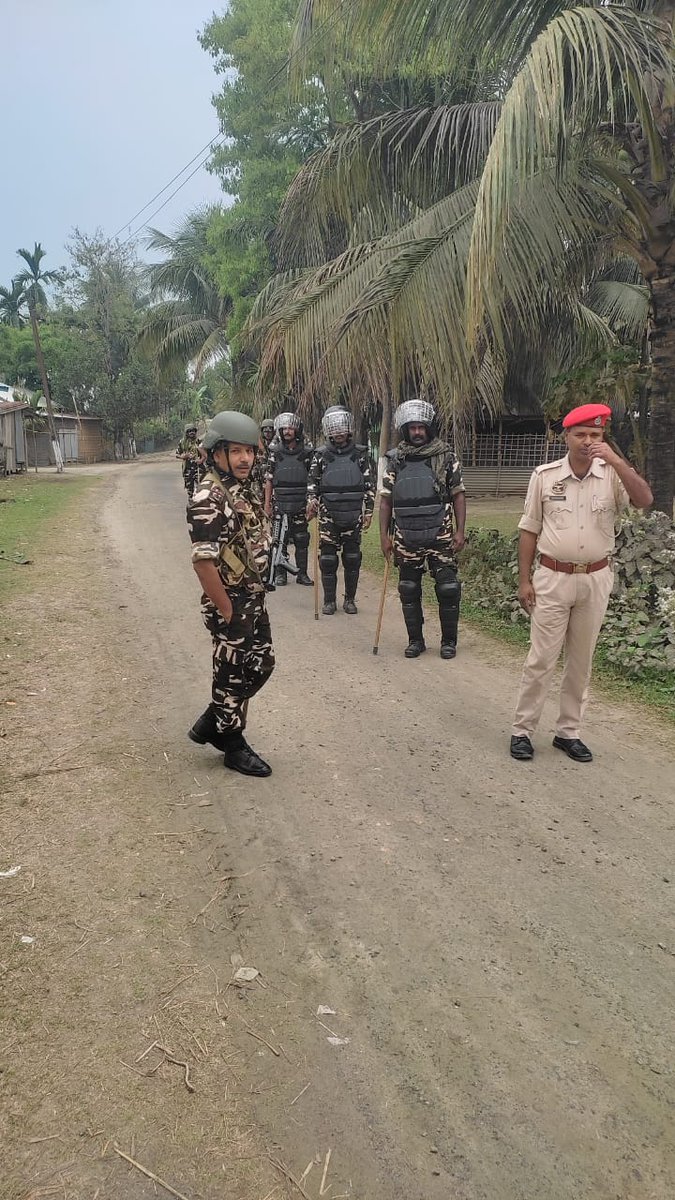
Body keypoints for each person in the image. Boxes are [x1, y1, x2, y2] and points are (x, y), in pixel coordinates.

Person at [510, 402, 653, 763]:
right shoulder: (545, 476)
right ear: (567, 437)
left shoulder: (612, 475)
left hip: (595, 578)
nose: (588, 441)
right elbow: (529, 530)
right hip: (553, 578)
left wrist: (617, 462)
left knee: (581, 660)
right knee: (541, 658)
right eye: (581, 434)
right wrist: (524, 580)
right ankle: (523, 730)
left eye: (595, 434)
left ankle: (568, 732)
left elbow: (645, 499)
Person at [186, 411, 275, 778]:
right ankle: (232, 743)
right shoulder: (208, 496)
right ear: (217, 453)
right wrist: (226, 610)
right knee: (232, 674)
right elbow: (203, 563)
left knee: (262, 665)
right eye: (236, 451)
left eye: (249, 452)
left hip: (252, 599)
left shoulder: (243, 488)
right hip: (231, 602)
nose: (245, 459)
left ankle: (213, 720)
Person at [379, 399, 466, 659]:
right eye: (412, 428)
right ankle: (415, 641)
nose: (417, 432)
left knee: (448, 588)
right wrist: (384, 537)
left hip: (440, 533)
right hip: (406, 535)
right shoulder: (395, 460)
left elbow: (459, 495)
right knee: (408, 588)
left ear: (429, 428)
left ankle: (448, 642)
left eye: (421, 427)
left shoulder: (446, 456)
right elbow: (386, 499)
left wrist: (460, 532)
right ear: (405, 430)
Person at [307, 406, 375, 614]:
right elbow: (312, 483)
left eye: (341, 427)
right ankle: (329, 601)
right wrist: (311, 500)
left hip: (353, 513)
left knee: (352, 558)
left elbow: (369, 484)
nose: (338, 432)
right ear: (328, 430)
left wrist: (369, 511)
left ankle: (350, 600)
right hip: (329, 515)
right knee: (328, 559)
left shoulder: (360, 454)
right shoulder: (321, 455)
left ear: (348, 428)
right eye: (334, 428)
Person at [264, 411, 314, 586]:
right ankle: (280, 574)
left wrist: (311, 503)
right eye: (284, 428)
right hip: (280, 503)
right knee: (279, 539)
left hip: (300, 503)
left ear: (297, 429)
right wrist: (267, 505)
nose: (287, 431)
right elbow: (269, 480)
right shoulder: (275, 452)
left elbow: (312, 480)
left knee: (302, 538)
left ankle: (302, 574)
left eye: (290, 427)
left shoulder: (307, 453)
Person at [177, 424, 202, 498]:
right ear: (186, 433)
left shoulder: (198, 441)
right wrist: (184, 456)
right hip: (187, 468)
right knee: (190, 490)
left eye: (193, 431)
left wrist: (201, 459)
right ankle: (191, 504)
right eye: (189, 431)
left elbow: (205, 453)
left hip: (198, 468)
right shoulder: (182, 442)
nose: (192, 432)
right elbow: (177, 454)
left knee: (201, 487)